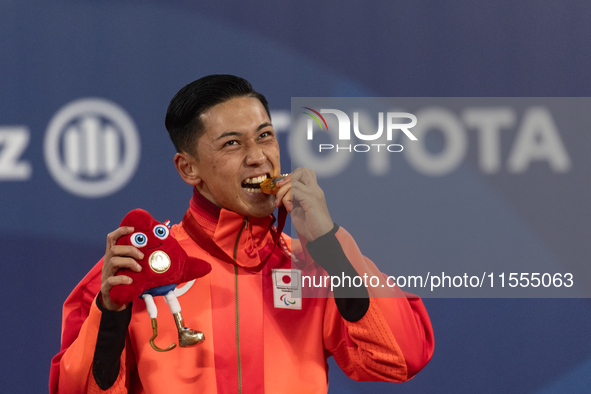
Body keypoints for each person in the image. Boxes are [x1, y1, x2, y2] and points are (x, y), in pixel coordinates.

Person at [49, 75, 434, 394]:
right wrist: (111, 317)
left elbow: (401, 358)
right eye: (232, 143)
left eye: (265, 135)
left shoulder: (313, 264)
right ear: (188, 169)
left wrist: (329, 242)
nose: (257, 156)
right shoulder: (138, 268)